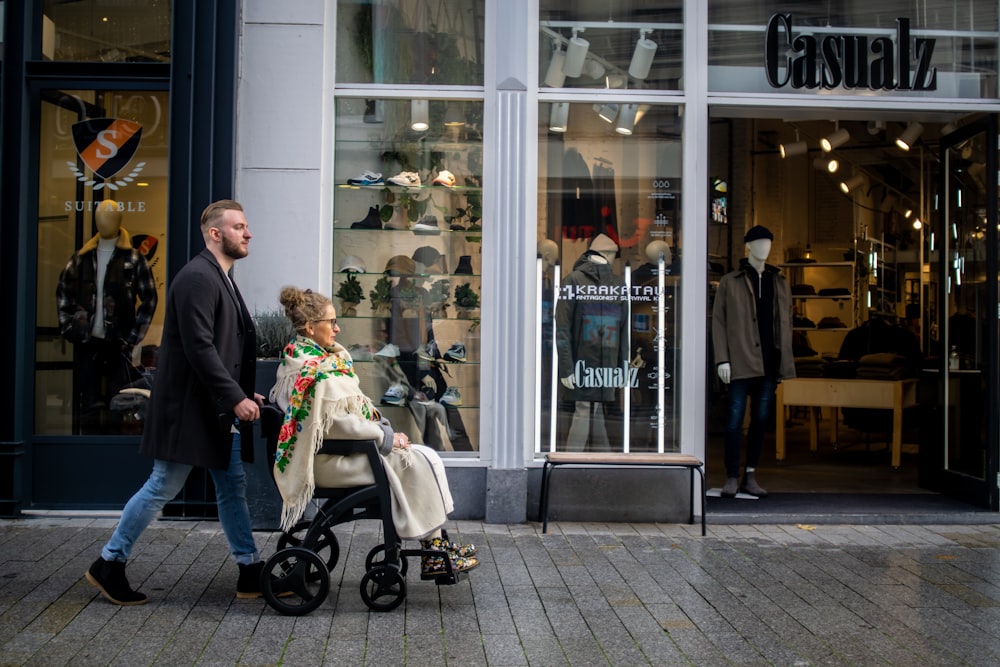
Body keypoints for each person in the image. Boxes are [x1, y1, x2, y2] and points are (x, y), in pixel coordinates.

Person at [85, 200, 266, 605]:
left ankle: (250, 569)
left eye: (246, 225)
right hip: (189, 409)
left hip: (211, 407)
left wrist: (240, 390)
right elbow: (200, 348)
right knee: (162, 485)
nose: (248, 233)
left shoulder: (221, 276)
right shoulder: (197, 278)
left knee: (231, 485)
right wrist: (233, 396)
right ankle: (109, 562)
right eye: (239, 226)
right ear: (215, 234)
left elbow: (220, 346)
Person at [269, 286, 478, 579]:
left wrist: (382, 433)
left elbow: (343, 419)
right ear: (310, 327)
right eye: (331, 322)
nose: (337, 328)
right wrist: (385, 438)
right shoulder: (312, 371)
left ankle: (437, 544)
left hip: (339, 453)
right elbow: (339, 426)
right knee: (417, 461)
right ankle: (433, 550)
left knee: (424, 455)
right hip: (328, 461)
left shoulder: (311, 361)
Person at [56, 198, 158, 432]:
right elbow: (64, 293)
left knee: (118, 399)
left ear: (119, 220)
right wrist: (70, 328)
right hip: (87, 342)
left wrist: (132, 338)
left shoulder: (133, 259)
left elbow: (149, 299)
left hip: (118, 343)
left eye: (111, 216)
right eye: (102, 215)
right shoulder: (81, 258)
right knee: (89, 402)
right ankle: (89, 447)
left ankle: (114, 448)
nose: (106, 220)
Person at [712, 225, 795, 498]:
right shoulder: (730, 281)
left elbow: (786, 323)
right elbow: (719, 323)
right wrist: (722, 359)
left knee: (760, 420)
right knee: (735, 419)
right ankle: (731, 475)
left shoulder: (779, 281)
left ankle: (750, 473)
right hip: (738, 362)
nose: (765, 248)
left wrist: (785, 361)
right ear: (748, 246)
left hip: (770, 363)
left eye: (768, 243)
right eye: (759, 243)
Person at [555, 233, 628, 451]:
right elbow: (562, 329)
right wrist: (567, 368)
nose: (614, 259)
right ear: (605, 254)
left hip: (606, 364)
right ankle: (571, 461)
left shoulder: (617, 285)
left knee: (595, 411)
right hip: (583, 363)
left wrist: (622, 367)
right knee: (585, 409)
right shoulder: (574, 281)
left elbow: (623, 331)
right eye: (613, 255)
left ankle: (603, 459)